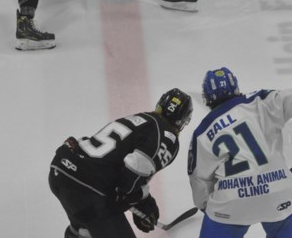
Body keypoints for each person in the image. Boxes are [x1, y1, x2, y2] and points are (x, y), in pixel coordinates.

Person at [49, 88, 193, 238]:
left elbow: (121, 168)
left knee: (85, 230)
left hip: (62, 170)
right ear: (183, 120)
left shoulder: (142, 118)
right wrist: (136, 201)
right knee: (98, 217)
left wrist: (142, 200)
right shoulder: (168, 137)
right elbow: (135, 169)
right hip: (87, 187)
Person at [187, 68, 292, 238]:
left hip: (231, 203)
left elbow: (199, 181)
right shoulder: (261, 100)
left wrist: (206, 206)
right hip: (279, 193)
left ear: (207, 97)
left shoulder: (203, 131)